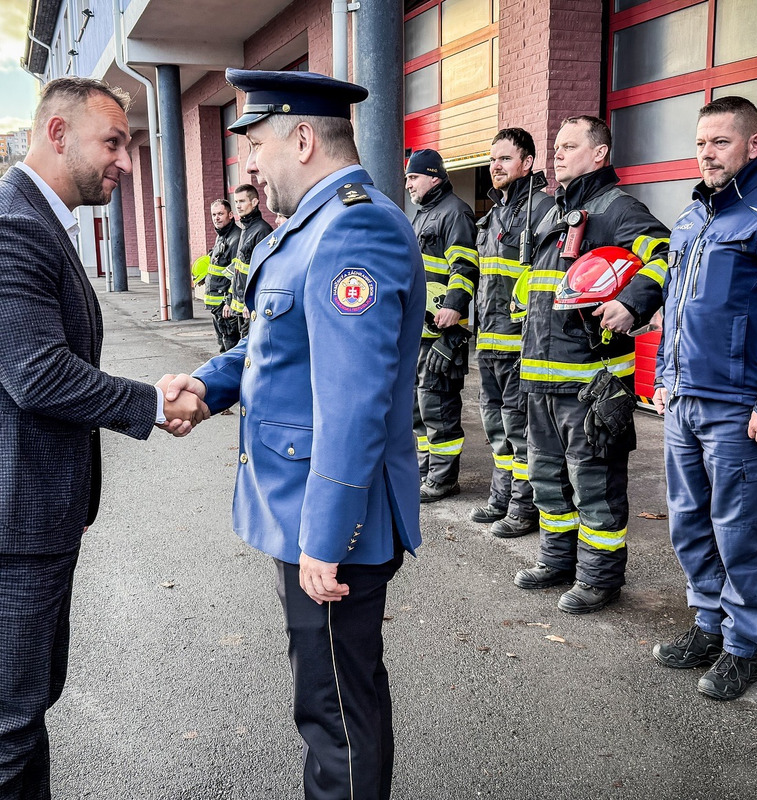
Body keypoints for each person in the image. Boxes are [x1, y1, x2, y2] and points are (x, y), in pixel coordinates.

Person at [0, 77, 209, 800]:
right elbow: (37, 374)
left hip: (23, 514)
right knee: (2, 725)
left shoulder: (34, 218)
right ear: (57, 133)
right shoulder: (4, 224)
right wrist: (153, 404)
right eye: (112, 143)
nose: (124, 161)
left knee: (20, 712)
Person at [163, 68, 424, 800]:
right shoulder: (317, 227)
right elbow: (278, 344)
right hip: (307, 510)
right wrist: (208, 388)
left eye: (255, 143)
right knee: (334, 696)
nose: (247, 163)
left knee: (336, 711)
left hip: (331, 522)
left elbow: (354, 402)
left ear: (302, 138)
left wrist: (324, 536)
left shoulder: (353, 228)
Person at [651, 96, 757, 700]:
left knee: (738, 528)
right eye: (701, 142)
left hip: (740, 406)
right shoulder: (693, 219)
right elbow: (674, 309)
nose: (707, 153)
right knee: (689, 522)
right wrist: (666, 376)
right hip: (685, 400)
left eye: (721, 141)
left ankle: (744, 646)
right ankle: (708, 625)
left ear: (754, 145)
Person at [512, 115, 669, 614]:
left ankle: (600, 579)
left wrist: (634, 302)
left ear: (599, 154)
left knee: (596, 484)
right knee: (548, 479)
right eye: (555, 146)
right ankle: (557, 561)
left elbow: (668, 254)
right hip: (540, 379)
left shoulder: (617, 208)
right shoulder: (553, 212)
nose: (557, 153)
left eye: (569, 146)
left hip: (590, 384)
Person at [470, 128, 556, 536]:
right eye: (493, 159)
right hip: (489, 344)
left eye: (505, 158)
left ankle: (524, 508)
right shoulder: (493, 215)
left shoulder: (542, 210)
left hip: (522, 346)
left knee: (521, 429)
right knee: (496, 427)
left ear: (527, 163)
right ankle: (502, 496)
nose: (496, 166)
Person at [403, 148, 479, 503]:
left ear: (434, 176)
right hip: (419, 332)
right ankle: (424, 467)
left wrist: (454, 307)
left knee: (438, 407)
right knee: (417, 406)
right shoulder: (421, 215)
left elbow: (465, 266)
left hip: (444, 332)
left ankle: (444, 478)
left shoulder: (455, 212)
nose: (408, 185)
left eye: (413, 178)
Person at [227, 182, 274, 340]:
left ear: (254, 202)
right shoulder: (245, 229)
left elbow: (264, 272)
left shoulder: (262, 230)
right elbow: (240, 270)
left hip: (251, 307)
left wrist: (251, 302)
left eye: (242, 201)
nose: (238, 206)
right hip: (240, 306)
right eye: (236, 202)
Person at [205, 198, 241, 352]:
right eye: (214, 214)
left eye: (220, 213)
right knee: (223, 346)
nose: (216, 218)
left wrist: (229, 301)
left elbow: (237, 274)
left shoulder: (236, 238)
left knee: (229, 349)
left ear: (231, 215)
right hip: (217, 306)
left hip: (225, 306)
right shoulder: (222, 236)